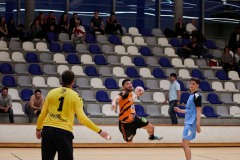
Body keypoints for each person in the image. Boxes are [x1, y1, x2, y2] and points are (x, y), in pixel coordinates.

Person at [36, 70, 110, 160]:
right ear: (72, 82)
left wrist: (38, 129)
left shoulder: (52, 92)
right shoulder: (75, 96)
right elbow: (82, 118)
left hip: (48, 131)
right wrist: (99, 131)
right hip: (63, 132)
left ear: (61, 81)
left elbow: (42, 114)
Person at [111, 79, 163, 143]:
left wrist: (136, 95)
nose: (130, 85)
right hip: (125, 125)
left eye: (130, 83)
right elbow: (116, 97)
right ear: (123, 87)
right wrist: (113, 103)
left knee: (151, 128)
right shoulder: (125, 93)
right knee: (130, 143)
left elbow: (130, 101)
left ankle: (151, 137)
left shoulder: (130, 94)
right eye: (127, 84)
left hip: (135, 119)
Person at [174, 77, 202, 160]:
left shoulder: (197, 96)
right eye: (191, 83)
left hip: (191, 123)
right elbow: (189, 110)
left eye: (193, 84)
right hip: (188, 122)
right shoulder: (191, 95)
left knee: (185, 144)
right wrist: (180, 110)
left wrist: (198, 124)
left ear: (197, 85)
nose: (191, 85)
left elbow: (198, 110)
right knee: (185, 144)